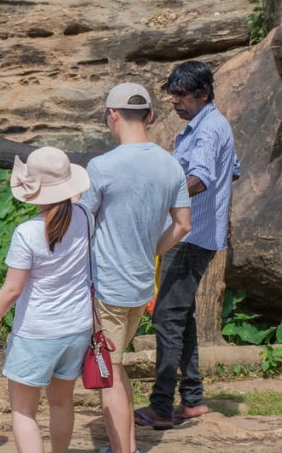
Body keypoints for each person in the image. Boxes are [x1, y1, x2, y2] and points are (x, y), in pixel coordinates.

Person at [80, 83, 192, 453]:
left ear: (112, 115)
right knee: (118, 365)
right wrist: (150, 249)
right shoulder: (170, 164)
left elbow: (82, 224)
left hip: (108, 289)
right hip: (141, 287)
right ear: (150, 116)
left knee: (107, 374)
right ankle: (124, 445)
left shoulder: (101, 166)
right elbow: (183, 225)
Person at [0, 146, 93, 453]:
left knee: (24, 411)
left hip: (37, 334)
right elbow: (72, 201)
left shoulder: (27, 233)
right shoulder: (85, 216)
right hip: (77, 329)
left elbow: (11, 291)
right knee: (62, 403)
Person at [135, 61, 240, 429]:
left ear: (204, 94)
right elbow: (234, 168)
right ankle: (192, 399)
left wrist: (163, 199)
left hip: (191, 235)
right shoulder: (207, 126)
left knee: (166, 316)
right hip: (197, 232)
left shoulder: (209, 130)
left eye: (182, 95)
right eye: (173, 94)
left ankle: (162, 406)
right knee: (182, 316)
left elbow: (200, 179)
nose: (175, 102)